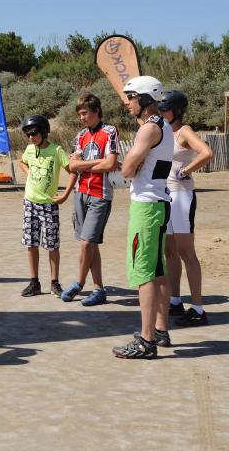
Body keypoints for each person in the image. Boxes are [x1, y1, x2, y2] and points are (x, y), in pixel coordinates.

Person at [112, 76, 173, 359]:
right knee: (158, 269)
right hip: (159, 203)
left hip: (146, 207)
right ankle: (160, 329)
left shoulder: (148, 130)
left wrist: (130, 167)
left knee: (144, 272)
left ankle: (147, 341)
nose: (126, 102)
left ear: (146, 98)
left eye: (131, 97)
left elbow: (126, 171)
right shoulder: (164, 125)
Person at [158, 90, 213, 327]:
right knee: (169, 252)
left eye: (165, 108)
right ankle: (175, 300)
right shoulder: (162, 131)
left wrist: (185, 170)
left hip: (182, 196)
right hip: (165, 196)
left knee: (186, 253)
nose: (162, 112)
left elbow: (207, 153)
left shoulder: (184, 131)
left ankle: (198, 309)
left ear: (177, 111)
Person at [62, 94, 120, 306]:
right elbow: (72, 167)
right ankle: (99, 289)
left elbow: (111, 164)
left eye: (85, 113)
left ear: (96, 110)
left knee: (87, 243)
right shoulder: (80, 136)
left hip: (100, 194)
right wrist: (95, 163)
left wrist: (84, 164)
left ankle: (79, 282)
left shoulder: (110, 131)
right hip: (80, 193)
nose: (82, 117)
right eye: (79, 114)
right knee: (90, 244)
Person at [18, 114, 77, 297]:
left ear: (44, 132)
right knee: (31, 244)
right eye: (27, 134)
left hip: (49, 205)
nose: (30, 137)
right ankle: (34, 283)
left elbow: (73, 172)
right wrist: (29, 173)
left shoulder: (57, 150)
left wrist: (65, 195)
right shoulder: (29, 149)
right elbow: (21, 162)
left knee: (52, 245)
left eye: (33, 133)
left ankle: (54, 283)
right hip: (30, 203)